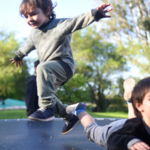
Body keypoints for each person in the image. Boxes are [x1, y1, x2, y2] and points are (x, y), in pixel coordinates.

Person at [10, 0, 113, 134]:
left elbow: (77, 21)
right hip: (49, 71)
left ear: (47, 11)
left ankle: (46, 108)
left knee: (42, 69)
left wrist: (95, 14)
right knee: (46, 92)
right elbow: (27, 45)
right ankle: (70, 117)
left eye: (33, 14)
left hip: (64, 65)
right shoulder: (34, 33)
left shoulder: (59, 25)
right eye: (26, 17)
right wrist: (19, 55)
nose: (29, 19)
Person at [66, 77, 150, 150]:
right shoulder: (130, 129)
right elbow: (113, 139)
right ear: (138, 105)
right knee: (92, 130)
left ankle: (130, 101)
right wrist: (130, 142)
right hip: (116, 130)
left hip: (133, 122)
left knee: (135, 121)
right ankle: (79, 110)